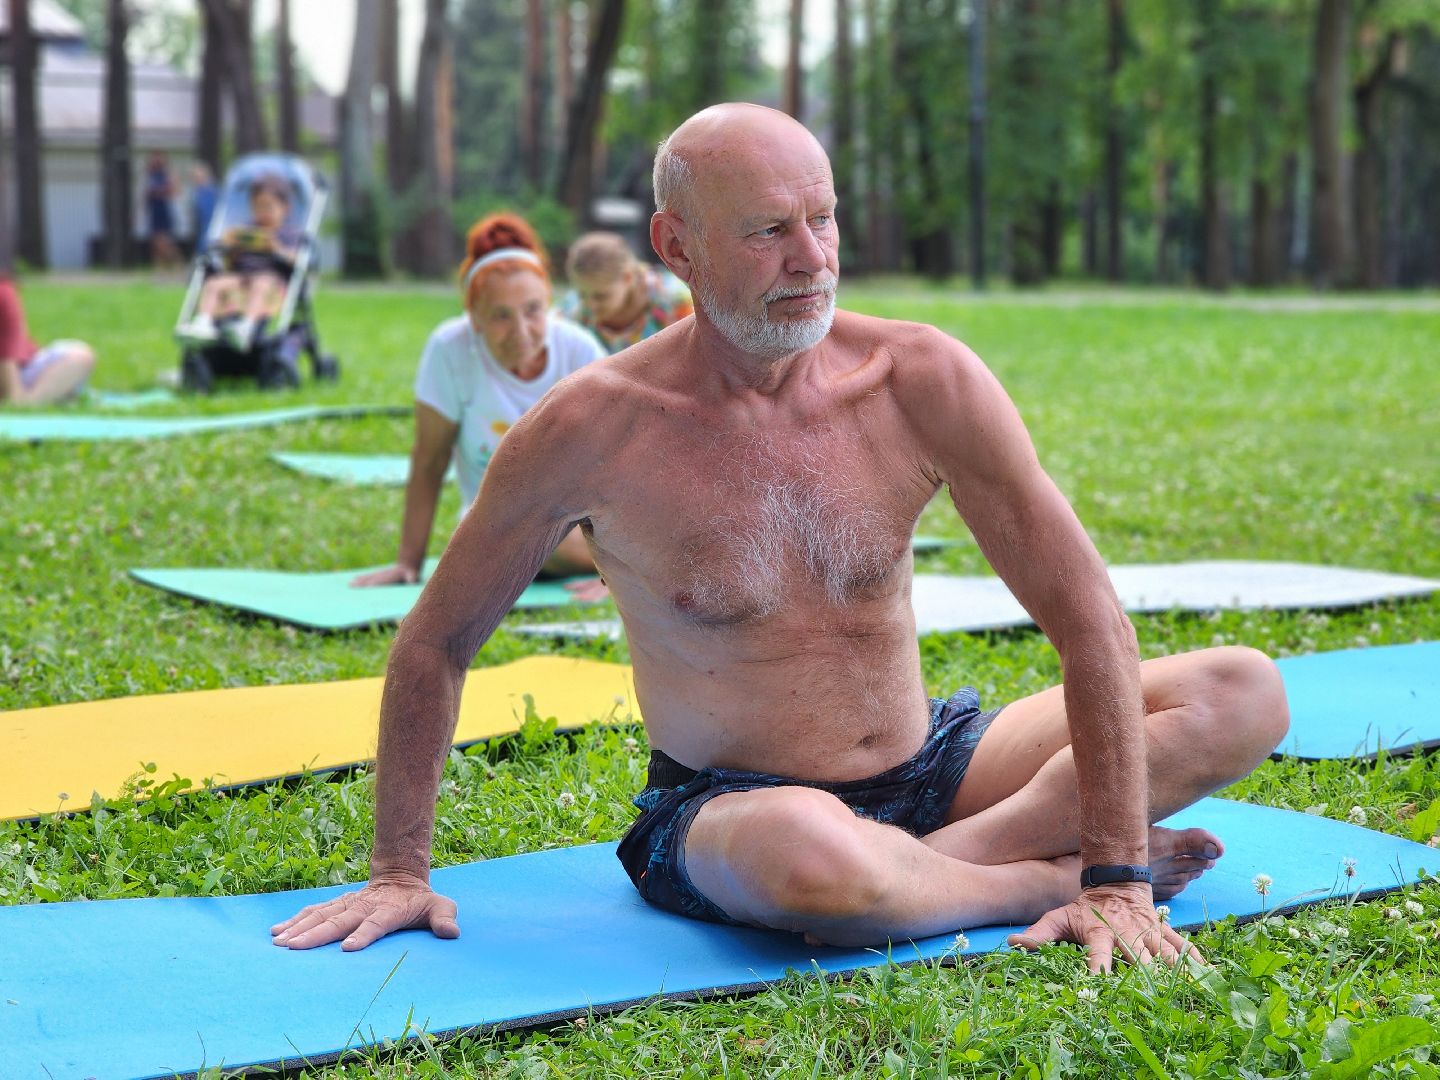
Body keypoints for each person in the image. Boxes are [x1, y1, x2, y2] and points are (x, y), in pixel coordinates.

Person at [272, 105, 1289, 974]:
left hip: (934, 762)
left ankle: (948, 863)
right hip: (732, 810)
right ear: (676, 247)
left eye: (823, 219)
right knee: (816, 856)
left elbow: (1087, 617)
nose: (812, 260)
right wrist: (400, 871)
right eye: (767, 232)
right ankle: (1022, 879)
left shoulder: (920, 378)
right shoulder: (589, 430)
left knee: (1242, 691)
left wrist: (1119, 874)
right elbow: (436, 641)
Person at [351, 213, 607, 590]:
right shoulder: (450, 350)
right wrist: (408, 563)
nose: (521, 332)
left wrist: (614, 577)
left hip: (582, 528)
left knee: (546, 539)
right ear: (474, 318)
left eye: (533, 311)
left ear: (550, 305)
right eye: (501, 316)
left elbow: (623, 465)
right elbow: (429, 460)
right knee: (501, 535)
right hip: (493, 530)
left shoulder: (579, 349)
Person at [176, 174, 300, 351]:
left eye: (269, 207)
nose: (263, 212)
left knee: (261, 283)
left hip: (271, 279)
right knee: (213, 283)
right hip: (241, 276)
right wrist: (231, 247)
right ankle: (203, 322)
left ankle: (246, 325)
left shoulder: (288, 234)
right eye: (258, 207)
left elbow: (298, 260)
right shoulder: (245, 230)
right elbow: (230, 262)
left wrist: (277, 248)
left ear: (285, 208)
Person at [559, 231, 693, 353]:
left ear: (627, 277)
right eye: (582, 294)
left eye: (600, 297)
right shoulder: (572, 312)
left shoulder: (675, 303)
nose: (589, 305)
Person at [0, 275, 96, 405]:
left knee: (80, 356)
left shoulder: (3, 292)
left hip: (22, 370)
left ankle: (32, 401)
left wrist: (16, 396)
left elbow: (7, 354)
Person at [145, 153, 181, 269]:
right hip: (154, 211)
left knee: (164, 241)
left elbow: (174, 190)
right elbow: (147, 194)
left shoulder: (167, 174)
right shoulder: (151, 175)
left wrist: (159, 191)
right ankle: (159, 267)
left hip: (164, 209)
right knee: (155, 241)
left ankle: (177, 263)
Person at [189, 162, 218, 254]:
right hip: (203, 226)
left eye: (198, 176)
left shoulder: (212, 190)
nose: (196, 179)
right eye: (195, 177)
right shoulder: (197, 192)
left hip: (212, 225)